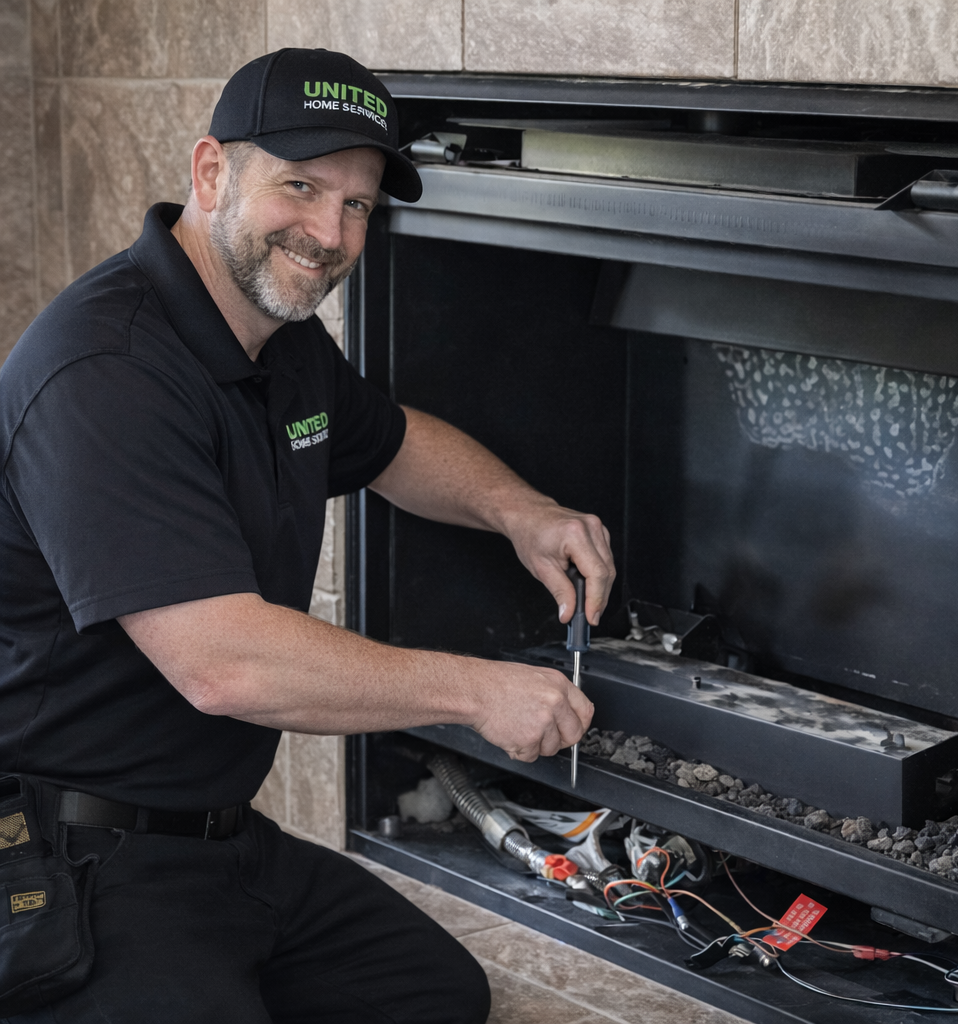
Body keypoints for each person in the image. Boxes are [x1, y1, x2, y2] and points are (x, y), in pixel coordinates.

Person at [0, 48, 615, 1024]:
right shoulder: (102, 374)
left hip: (221, 841)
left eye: (359, 204)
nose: (330, 233)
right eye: (301, 186)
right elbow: (224, 665)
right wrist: (474, 690)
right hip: (70, 860)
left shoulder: (280, 342)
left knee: (432, 994)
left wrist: (521, 510)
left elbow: (393, 442)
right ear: (210, 174)